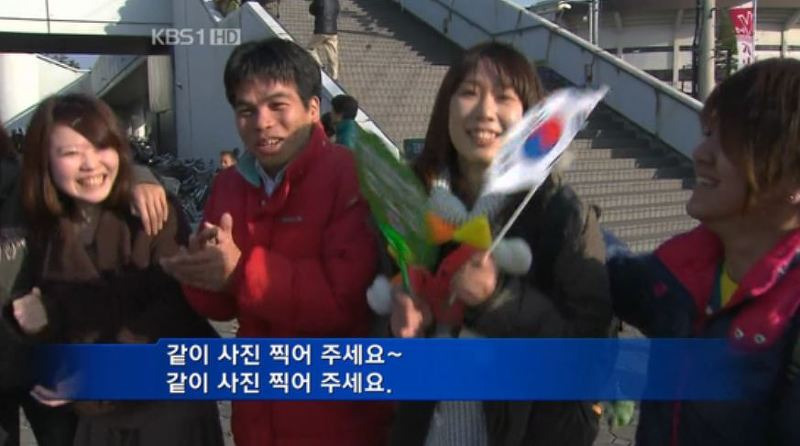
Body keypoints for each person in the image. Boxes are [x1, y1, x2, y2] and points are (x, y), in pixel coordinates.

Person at [161, 38, 393, 446]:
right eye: (246, 110)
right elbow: (221, 304)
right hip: (255, 412)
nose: (262, 122)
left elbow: (343, 302)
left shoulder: (348, 176)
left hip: (338, 416)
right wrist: (198, 274)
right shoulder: (229, 184)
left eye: (277, 106)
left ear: (313, 109)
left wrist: (239, 270)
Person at [388, 41, 612, 445]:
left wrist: (499, 299)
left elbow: (585, 356)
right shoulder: (411, 207)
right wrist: (396, 316)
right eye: (469, 92)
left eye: (504, 97)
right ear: (446, 106)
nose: (485, 112)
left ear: (531, 118)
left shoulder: (562, 215)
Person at [0, 94, 223, 446]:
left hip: (163, 413)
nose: (89, 164)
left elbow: (171, 317)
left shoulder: (151, 215)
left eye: (100, 146)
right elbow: (65, 312)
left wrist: (97, 372)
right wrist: (41, 319)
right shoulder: (51, 225)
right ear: (45, 162)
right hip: (94, 416)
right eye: (71, 153)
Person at [608, 58, 800, 446]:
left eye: (728, 140)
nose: (700, 152)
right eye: (708, 133)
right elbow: (606, 267)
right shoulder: (683, 273)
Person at [307, 0, 340, 80]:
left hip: (320, 30)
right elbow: (337, 11)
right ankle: (334, 75)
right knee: (333, 53)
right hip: (333, 31)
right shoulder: (336, 2)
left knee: (310, 48)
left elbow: (312, 10)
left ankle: (320, 65)